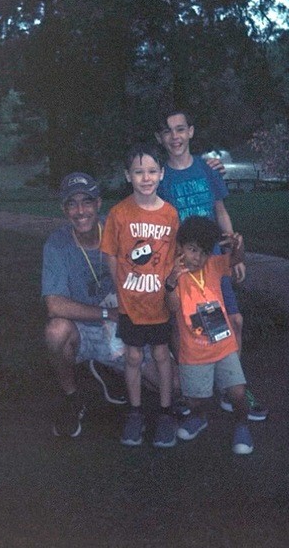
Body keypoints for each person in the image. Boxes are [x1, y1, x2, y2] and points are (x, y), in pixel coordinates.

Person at [155, 107, 268, 421]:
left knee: (235, 320)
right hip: (183, 263)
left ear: (191, 131)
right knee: (183, 328)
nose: (175, 136)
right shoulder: (160, 177)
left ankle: (234, 387)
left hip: (214, 260)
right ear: (159, 137)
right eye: (167, 131)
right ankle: (189, 389)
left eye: (180, 129)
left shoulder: (207, 169)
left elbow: (220, 210)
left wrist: (233, 251)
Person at [101, 143, 179, 448]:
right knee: (133, 356)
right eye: (138, 172)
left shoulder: (169, 214)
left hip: (158, 303)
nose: (146, 178)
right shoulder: (119, 213)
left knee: (161, 355)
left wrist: (170, 290)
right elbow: (111, 254)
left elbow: (172, 258)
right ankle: (135, 413)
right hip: (131, 303)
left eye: (151, 171)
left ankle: (165, 412)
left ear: (161, 174)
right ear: (128, 176)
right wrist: (121, 288)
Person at [42, 172, 130, 439]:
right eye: (72, 204)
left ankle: (108, 369)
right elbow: (54, 305)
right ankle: (71, 396)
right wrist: (107, 313)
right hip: (84, 327)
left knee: (169, 385)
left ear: (99, 203)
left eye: (87, 202)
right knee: (56, 331)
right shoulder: (57, 243)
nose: (80, 211)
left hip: (121, 325)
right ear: (64, 209)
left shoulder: (118, 231)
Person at [165, 215, 254, 454]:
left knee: (238, 392)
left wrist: (238, 245)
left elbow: (236, 259)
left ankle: (242, 425)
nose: (198, 258)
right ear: (179, 247)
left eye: (204, 252)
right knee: (196, 398)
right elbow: (172, 307)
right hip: (193, 352)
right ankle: (199, 417)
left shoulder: (213, 265)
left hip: (224, 346)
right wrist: (171, 282)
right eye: (192, 250)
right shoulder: (174, 274)